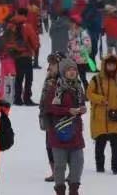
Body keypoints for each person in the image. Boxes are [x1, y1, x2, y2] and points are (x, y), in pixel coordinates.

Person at [87, 55, 117, 175]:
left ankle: (116, 168)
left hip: (115, 116)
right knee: (100, 144)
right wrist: (101, 99)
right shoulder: (95, 79)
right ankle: (100, 167)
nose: (111, 67)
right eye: (109, 65)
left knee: (116, 144)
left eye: (113, 65)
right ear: (104, 65)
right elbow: (89, 93)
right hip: (99, 117)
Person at [44, 58, 87, 195]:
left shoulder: (78, 88)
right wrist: (67, 110)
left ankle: (74, 190)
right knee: (60, 166)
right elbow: (49, 108)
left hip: (75, 131)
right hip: (58, 132)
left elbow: (80, 105)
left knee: (78, 163)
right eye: (69, 70)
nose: (72, 72)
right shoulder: (55, 88)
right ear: (63, 72)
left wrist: (82, 109)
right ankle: (60, 191)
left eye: (74, 69)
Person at [39, 52, 63, 182]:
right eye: (50, 64)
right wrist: (42, 111)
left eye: (53, 64)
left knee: (63, 145)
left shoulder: (67, 79)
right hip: (49, 116)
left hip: (62, 118)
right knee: (49, 145)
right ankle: (55, 171)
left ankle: (65, 172)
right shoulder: (49, 78)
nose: (50, 67)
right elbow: (44, 96)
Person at [12, 9, 40, 106]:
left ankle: (17, 98)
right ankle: (27, 98)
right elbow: (34, 41)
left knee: (18, 78)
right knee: (28, 78)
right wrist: (35, 47)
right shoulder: (27, 26)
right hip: (26, 55)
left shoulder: (11, 25)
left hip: (15, 56)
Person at [68, 17, 91, 89]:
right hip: (73, 59)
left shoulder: (83, 33)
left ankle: (87, 92)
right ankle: (76, 93)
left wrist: (75, 48)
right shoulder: (71, 33)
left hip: (81, 60)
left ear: (77, 24)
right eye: (70, 23)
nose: (70, 24)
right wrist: (69, 47)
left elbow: (87, 46)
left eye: (72, 23)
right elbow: (69, 44)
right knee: (73, 77)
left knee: (82, 77)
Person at [82, 0, 103, 65]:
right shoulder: (93, 12)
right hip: (92, 33)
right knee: (92, 50)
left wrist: (101, 29)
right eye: (101, 9)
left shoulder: (97, 12)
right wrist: (91, 26)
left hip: (95, 33)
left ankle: (91, 66)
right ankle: (90, 66)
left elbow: (98, 23)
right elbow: (88, 22)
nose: (102, 10)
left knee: (94, 50)